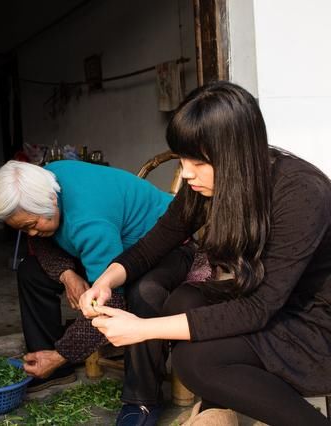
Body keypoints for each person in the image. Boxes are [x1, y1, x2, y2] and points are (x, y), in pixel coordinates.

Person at [81, 81, 331, 426]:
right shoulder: (207, 184)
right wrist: (106, 280)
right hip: (272, 302)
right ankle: (219, 407)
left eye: (198, 161)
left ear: (235, 156)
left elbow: (259, 309)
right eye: (183, 158)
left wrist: (145, 329)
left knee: (195, 362)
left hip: (316, 322)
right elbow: (155, 243)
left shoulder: (301, 193)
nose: (186, 172)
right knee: (184, 299)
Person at [0, 160, 193, 411]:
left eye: (31, 225)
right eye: (23, 228)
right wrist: (67, 274)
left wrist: (64, 353)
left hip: (165, 247)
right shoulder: (45, 179)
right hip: (114, 246)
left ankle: (141, 400)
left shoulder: (88, 222)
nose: (30, 234)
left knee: (143, 293)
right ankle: (49, 367)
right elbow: (41, 244)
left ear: (52, 201)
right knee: (30, 271)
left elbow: (110, 302)